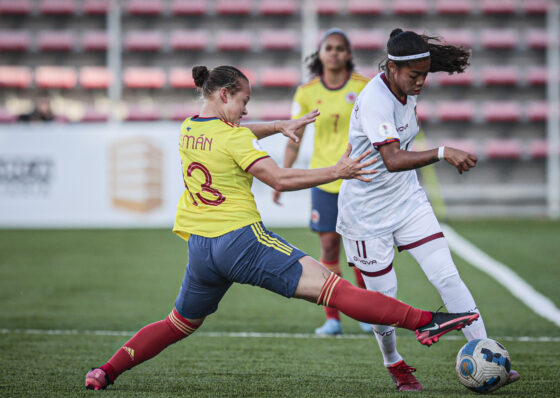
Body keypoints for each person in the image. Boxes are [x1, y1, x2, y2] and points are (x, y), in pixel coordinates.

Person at [84, 65, 479, 390]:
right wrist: (338, 171)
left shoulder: (189, 129)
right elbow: (280, 179)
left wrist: (274, 125)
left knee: (177, 323)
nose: (244, 110)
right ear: (224, 95)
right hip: (241, 242)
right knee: (335, 290)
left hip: (201, 251)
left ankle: (107, 370)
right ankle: (426, 322)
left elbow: (232, 132)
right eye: (243, 102)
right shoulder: (235, 140)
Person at [336, 29, 521, 392]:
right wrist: (442, 152)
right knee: (384, 301)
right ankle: (395, 363)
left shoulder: (403, 88)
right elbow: (390, 159)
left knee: (447, 276)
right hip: (366, 214)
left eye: (425, 75)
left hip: (406, 202)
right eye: (414, 75)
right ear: (391, 68)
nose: (421, 82)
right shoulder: (376, 98)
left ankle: (486, 352)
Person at [273, 28, 371, 335]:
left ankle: (366, 314)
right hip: (324, 179)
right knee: (329, 251)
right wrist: (281, 177)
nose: (334, 53)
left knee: (361, 252)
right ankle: (332, 318)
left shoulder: (365, 87)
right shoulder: (306, 91)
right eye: (329, 47)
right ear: (320, 53)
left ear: (349, 54)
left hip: (358, 179)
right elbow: (294, 137)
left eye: (340, 48)